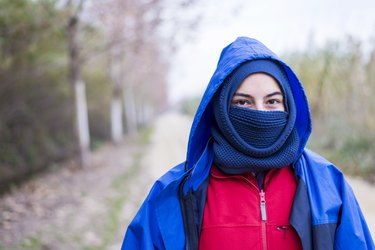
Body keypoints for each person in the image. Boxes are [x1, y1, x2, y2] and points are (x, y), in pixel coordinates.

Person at [121, 37, 374, 249]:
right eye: (243, 102)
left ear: (288, 107)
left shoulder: (329, 184)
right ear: (221, 109)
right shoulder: (174, 193)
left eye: (272, 101)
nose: (260, 113)